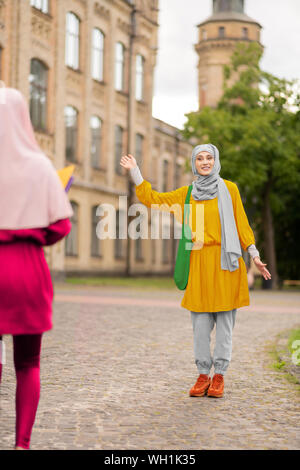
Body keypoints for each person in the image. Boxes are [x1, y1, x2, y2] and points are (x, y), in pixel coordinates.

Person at [120, 145, 271, 399]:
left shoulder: (229, 189)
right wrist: (136, 172)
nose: (205, 162)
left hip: (226, 263)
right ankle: (203, 374)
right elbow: (154, 200)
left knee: (224, 325)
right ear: (194, 163)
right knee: (200, 325)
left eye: (209, 158)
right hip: (199, 263)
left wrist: (254, 254)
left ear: (216, 161)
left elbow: (241, 223)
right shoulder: (188, 194)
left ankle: (219, 375)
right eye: (200, 158)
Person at [0, 87, 73, 449]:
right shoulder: (40, 166)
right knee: (28, 363)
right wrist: (32, 235)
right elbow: (60, 226)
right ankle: (22, 444)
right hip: (27, 270)